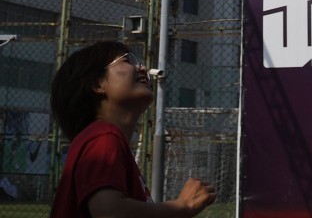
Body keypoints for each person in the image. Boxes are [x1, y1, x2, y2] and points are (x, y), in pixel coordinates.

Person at [49, 41, 216, 217]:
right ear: (98, 84)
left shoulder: (104, 139)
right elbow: (109, 213)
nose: (142, 67)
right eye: (127, 61)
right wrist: (182, 207)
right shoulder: (103, 138)